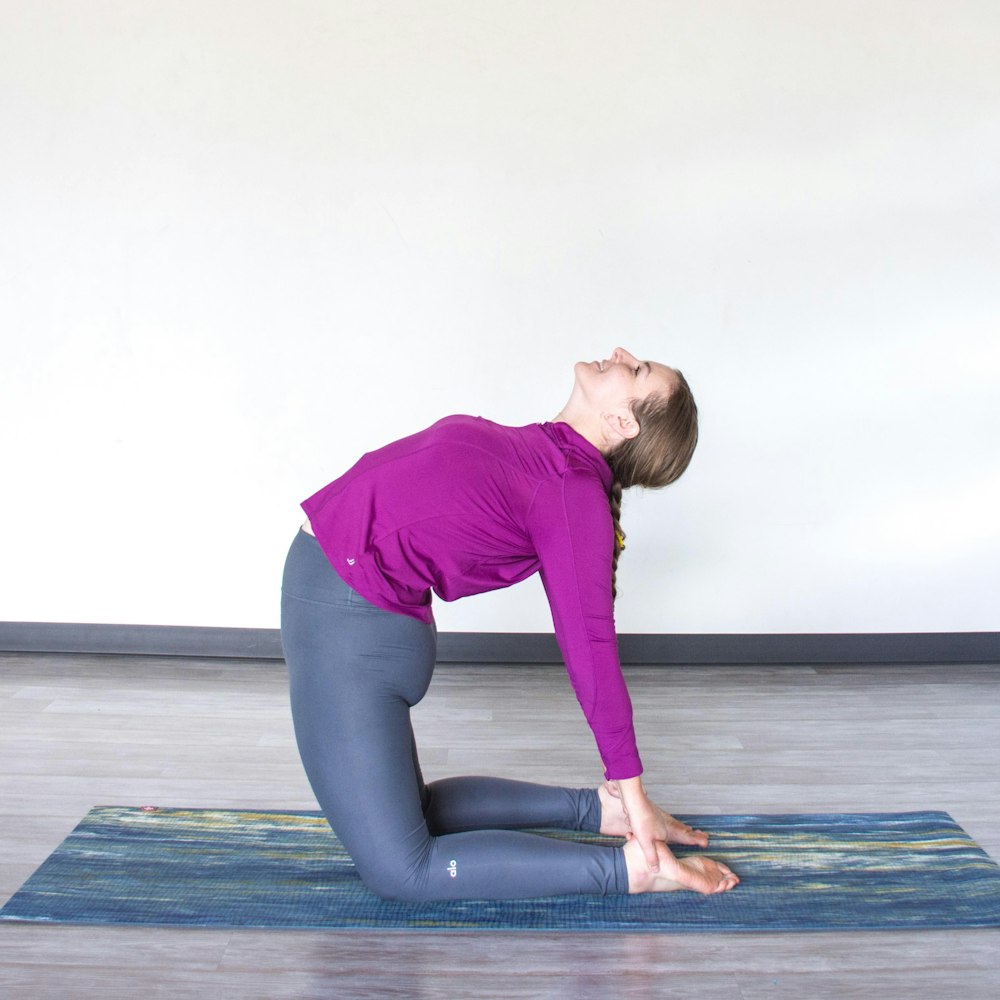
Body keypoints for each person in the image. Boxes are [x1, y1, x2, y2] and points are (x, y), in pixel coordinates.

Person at [280, 347, 739, 901]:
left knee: (402, 871)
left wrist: (632, 784)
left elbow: (591, 648)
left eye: (637, 369)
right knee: (414, 812)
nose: (622, 354)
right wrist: (620, 796)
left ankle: (631, 871)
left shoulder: (572, 494)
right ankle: (599, 811)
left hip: (349, 620)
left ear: (623, 422)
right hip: (351, 611)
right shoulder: (549, 453)